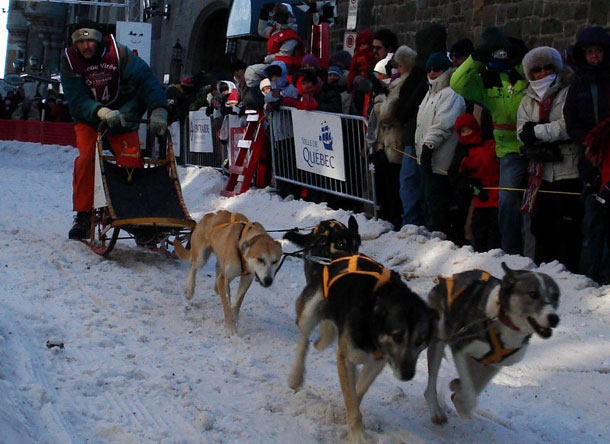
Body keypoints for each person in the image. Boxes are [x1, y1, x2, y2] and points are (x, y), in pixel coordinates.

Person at [61, 19, 168, 240]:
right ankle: (83, 214)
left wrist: (158, 109)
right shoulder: (69, 61)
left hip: (124, 115)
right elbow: (76, 98)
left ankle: (134, 213)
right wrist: (100, 112)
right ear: (75, 44)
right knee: (87, 159)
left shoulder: (119, 53)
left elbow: (146, 80)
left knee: (131, 160)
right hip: (90, 119)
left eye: (90, 40)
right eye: (81, 42)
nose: (86, 46)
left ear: (98, 40)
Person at [450, 26, 529, 255]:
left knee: (535, 205)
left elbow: (539, 73)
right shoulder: (485, 78)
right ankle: (510, 250)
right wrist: (475, 58)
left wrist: (516, 59)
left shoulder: (519, 69)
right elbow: (457, 83)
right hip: (507, 151)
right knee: (507, 203)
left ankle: (535, 254)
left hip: (533, 144)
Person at [517, 46, 582, 272]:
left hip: (568, 168)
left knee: (567, 229)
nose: (543, 73)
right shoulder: (527, 98)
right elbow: (521, 131)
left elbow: (568, 126)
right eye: (537, 69)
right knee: (541, 228)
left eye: (548, 67)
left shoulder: (568, 92)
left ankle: (570, 276)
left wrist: (537, 133)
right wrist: (533, 134)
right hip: (539, 173)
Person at [564, 26, 610, 283]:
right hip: (590, 158)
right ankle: (594, 273)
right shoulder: (578, 84)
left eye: (597, 52)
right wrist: (588, 140)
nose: (594, 57)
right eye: (589, 52)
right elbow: (571, 120)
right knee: (593, 219)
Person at [397, 23, 447, 227]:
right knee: (412, 183)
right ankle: (413, 222)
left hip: (427, 139)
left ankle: (418, 224)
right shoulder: (421, 71)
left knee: (418, 184)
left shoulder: (424, 72)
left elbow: (405, 107)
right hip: (415, 136)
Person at [415, 52, 465, 234]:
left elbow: (443, 124)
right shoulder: (429, 94)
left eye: (437, 69)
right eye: (429, 69)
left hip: (441, 160)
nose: (432, 73)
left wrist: (428, 146)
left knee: (439, 203)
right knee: (427, 201)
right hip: (428, 161)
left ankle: (441, 236)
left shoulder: (450, 94)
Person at [370, 46, 418, 230]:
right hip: (387, 141)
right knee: (388, 184)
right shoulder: (397, 84)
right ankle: (389, 217)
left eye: (398, 64)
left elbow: (388, 113)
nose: (396, 68)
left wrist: (379, 101)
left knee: (395, 184)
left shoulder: (403, 85)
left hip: (394, 141)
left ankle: (396, 220)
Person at [454, 113, 500, 252]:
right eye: (462, 131)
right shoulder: (463, 151)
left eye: (468, 130)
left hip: (498, 192)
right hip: (480, 196)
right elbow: (456, 176)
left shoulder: (490, 143)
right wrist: (473, 187)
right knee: (479, 229)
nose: (466, 134)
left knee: (495, 230)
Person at [244, 3, 304, 100]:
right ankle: (260, 99)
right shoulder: (275, 31)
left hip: (285, 68)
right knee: (250, 72)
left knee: (251, 71)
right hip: (273, 63)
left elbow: (284, 55)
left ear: (289, 16)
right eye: (278, 15)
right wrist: (263, 14)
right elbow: (262, 30)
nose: (280, 18)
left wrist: (265, 58)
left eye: (283, 15)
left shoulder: (291, 36)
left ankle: (260, 101)